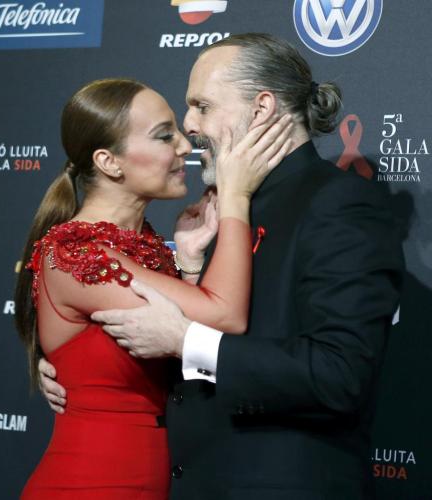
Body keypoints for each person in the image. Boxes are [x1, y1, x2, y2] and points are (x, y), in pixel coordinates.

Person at [40, 34, 404, 500]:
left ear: (262, 107)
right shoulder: (221, 211)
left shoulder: (337, 202)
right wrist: (76, 369)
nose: (190, 126)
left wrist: (185, 340)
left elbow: (340, 374)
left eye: (203, 107)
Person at [15, 77, 293, 499]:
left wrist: (189, 260)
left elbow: (197, 341)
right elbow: (224, 315)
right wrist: (236, 196)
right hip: (92, 484)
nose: (184, 145)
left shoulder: (144, 246)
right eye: (165, 136)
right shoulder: (75, 252)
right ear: (109, 162)